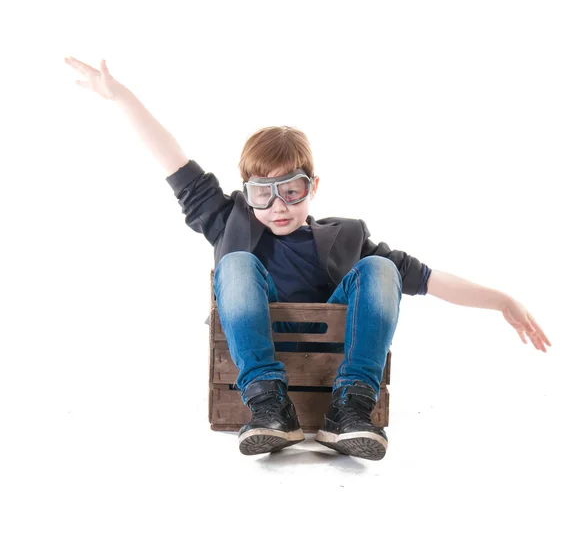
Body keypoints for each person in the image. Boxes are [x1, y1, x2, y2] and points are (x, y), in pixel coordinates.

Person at [64, 56, 552, 461]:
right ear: (247, 194)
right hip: (258, 360)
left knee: (381, 268)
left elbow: (428, 278)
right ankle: (269, 405)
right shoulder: (228, 220)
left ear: (312, 187)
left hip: (333, 364)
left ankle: (350, 407)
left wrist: (502, 300)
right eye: (263, 193)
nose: (278, 206)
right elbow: (174, 162)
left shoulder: (347, 236)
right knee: (232, 264)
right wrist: (121, 97)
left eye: (291, 190)